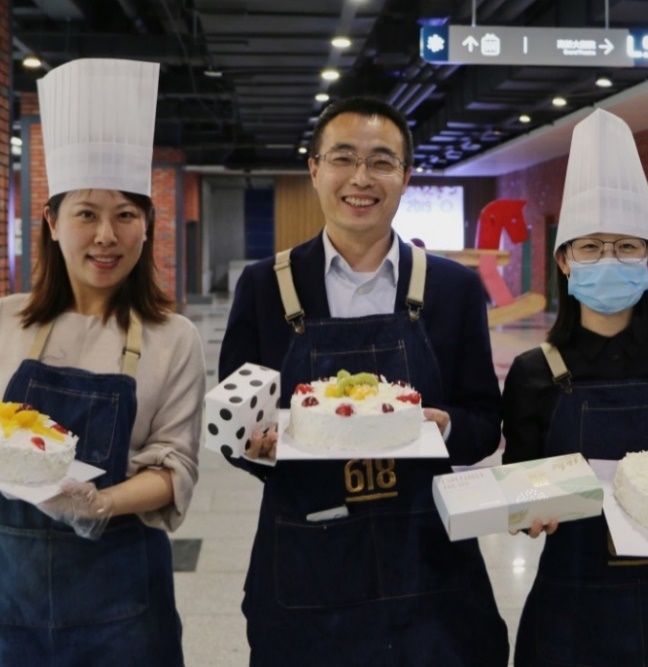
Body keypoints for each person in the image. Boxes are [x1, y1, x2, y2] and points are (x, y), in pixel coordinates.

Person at [0, 59, 204, 665]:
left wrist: (98, 503)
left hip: (122, 596)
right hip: (6, 593)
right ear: (51, 221)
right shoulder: (7, 318)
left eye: (126, 215)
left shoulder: (173, 337)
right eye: (86, 214)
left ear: (147, 225)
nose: (106, 236)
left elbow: (175, 468)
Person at [218, 96, 509, 666]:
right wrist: (256, 448)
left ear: (406, 176)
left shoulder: (452, 289)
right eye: (343, 158)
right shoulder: (265, 286)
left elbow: (483, 423)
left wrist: (447, 425)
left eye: (381, 161)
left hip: (428, 566)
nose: (361, 178)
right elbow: (237, 422)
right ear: (314, 169)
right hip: (305, 560)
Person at [501, 108, 648, 667]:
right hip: (571, 607)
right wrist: (529, 510)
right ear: (564, 260)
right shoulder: (536, 371)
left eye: (627, 246)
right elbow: (519, 485)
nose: (608, 259)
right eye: (590, 247)